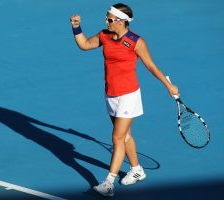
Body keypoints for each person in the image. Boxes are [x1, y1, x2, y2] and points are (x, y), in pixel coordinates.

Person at [70, 3, 179, 197]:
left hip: (129, 95)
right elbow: (85, 45)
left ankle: (109, 183)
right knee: (125, 135)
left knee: (117, 137)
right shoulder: (104, 35)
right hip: (110, 94)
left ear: (122, 21)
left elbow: (151, 66)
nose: (106, 21)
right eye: (106, 18)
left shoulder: (136, 42)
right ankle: (137, 169)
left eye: (110, 19)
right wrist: (76, 27)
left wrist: (168, 85)